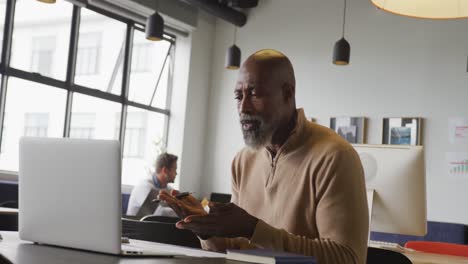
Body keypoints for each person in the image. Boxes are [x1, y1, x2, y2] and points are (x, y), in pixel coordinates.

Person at [159, 49, 369, 264]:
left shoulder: (335, 156)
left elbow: (347, 258)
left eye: (254, 94)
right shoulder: (243, 160)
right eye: (239, 96)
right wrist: (208, 230)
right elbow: (236, 249)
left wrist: (253, 229)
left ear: (287, 94)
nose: (243, 107)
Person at [126, 153, 178, 218]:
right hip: (135, 226)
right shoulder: (145, 186)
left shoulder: (168, 189)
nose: (176, 173)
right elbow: (160, 212)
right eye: (175, 170)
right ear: (165, 171)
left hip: (151, 225)